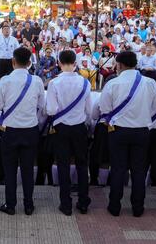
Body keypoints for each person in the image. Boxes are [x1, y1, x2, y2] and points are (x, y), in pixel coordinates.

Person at [99, 50, 156, 217]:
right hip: (142, 130)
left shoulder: (112, 83)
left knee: (118, 169)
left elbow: (105, 109)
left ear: (119, 65)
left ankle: (114, 206)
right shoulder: (149, 83)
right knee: (139, 170)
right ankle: (138, 207)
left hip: (118, 131)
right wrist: (144, 115)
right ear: (135, 64)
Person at [0, 46, 45, 216]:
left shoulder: (5, 81)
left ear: (13, 62)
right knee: (28, 169)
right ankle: (29, 205)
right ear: (30, 63)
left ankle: (11, 204)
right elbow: (42, 106)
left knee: (10, 169)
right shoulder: (36, 81)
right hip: (30, 130)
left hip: (10, 130)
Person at [45, 49, 92, 216]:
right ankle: (83, 202)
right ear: (75, 63)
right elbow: (89, 110)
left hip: (61, 128)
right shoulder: (85, 83)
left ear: (58, 63)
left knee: (63, 164)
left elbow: (51, 110)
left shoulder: (54, 83)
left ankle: (66, 204)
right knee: (81, 164)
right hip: (79, 126)